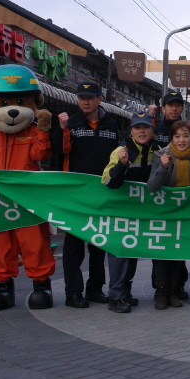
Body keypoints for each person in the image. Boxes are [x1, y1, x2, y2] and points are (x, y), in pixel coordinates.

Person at [54, 81, 119, 308]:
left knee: (98, 244)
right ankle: (73, 293)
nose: (86, 102)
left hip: (101, 195)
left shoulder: (111, 124)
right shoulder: (70, 123)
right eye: (82, 98)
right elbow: (57, 152)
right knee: (73, 246)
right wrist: (62, 129)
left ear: (99, 99)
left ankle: (95, 289)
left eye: (90, 97)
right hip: (75, 196)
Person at [147, 121, 190, 310]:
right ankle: (161, 292)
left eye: (185, 136)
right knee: (161, 252)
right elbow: (152, 186)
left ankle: (174, 291)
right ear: (171, 138)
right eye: (177, 136)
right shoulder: (161, 155)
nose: (181, 140)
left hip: (186, 212)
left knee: (178, 251)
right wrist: (164, 168)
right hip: (164, 212)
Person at [101, 112, 157, 313]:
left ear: (152, 130)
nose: (142, 131)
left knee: (131, 252)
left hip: (141, 213)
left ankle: (125, 292)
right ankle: (115, 297)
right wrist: (122, 164)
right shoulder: (120, 151)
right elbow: (108, 182)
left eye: (145, 127)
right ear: (131, 131)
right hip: (121, 212)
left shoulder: (157, 151)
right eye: (137, 128)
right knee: (119, 253)